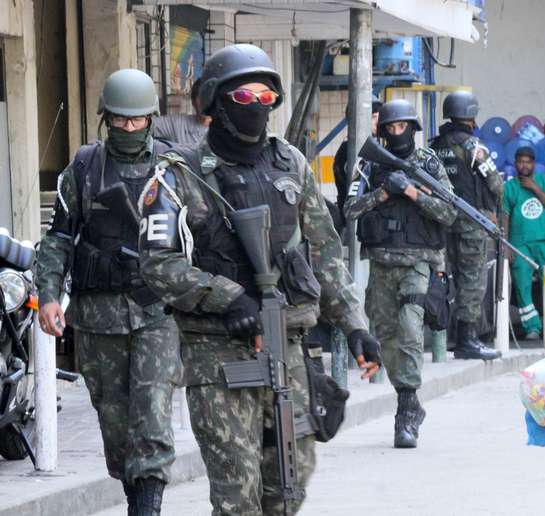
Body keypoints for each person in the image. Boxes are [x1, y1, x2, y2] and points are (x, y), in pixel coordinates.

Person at [137, 43, 382, 515]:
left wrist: (355, 326)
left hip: (287, 346)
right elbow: (157, 263)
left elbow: (326, 248)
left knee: (288, 484)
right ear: (215, 103)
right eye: (244, 97)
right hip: (218, 355)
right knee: (237, 494)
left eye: (266, 96)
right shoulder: (177, 175)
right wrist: (228, 298)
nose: (257, 106)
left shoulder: (289, 162)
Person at [36, 69, 181, 515]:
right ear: (107, 119)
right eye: (120, 120)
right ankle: (135, 497)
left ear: (151, 120)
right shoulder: (83, 168)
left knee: (153, 413)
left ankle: (148, 507)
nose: (129, 128)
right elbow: (59, 238)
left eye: (137, 121)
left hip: (156, 313)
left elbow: (200, 239)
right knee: (115, 423)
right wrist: (47, 295)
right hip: (99, 318)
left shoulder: (175, 169)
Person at [344, 99, 457, 448]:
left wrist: (410, 190)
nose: (397, 134)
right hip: (381, 263)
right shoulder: (369, 164)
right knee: (388, 337)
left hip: (418, 263)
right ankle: (407, 396)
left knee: (410, 330)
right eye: (390, 128)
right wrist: (383, 191)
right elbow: (350, 208)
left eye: (402, 128)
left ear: (412, 129)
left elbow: (449, 212)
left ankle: (406, 409)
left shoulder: (428, 164)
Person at [430, 90, 503, 360]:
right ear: (471, 114)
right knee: (472, 280)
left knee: (446, 278)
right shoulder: (474, 148)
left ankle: (446, 339)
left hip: (440, 221)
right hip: (471, 223)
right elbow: (496, 184)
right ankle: (467, 340)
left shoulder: (434, 146)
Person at [502, 146, 545, 340]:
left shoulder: (544, 180)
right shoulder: (509, 187)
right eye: (520, 161)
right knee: (522, 286)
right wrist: (506, 246)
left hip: (544, 242)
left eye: (528, 161)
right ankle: (532, 327)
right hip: (519, 244)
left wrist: (534, 188)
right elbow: (504, 217)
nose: (524, 165)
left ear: (533, 164)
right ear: (515, 164)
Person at [333, 94, 383, 218]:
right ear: (359, 120)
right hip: (356, 225)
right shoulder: (350, 152)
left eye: (379, 117)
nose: (378, 122)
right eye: (373, 117)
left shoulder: (373, 147)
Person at [153, 77, 211, 145]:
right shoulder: (178, 125)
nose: (206, 102)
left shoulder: (224, 130)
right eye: (201, 97)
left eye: (209, 97)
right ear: (193, 102)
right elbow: (146, 124)